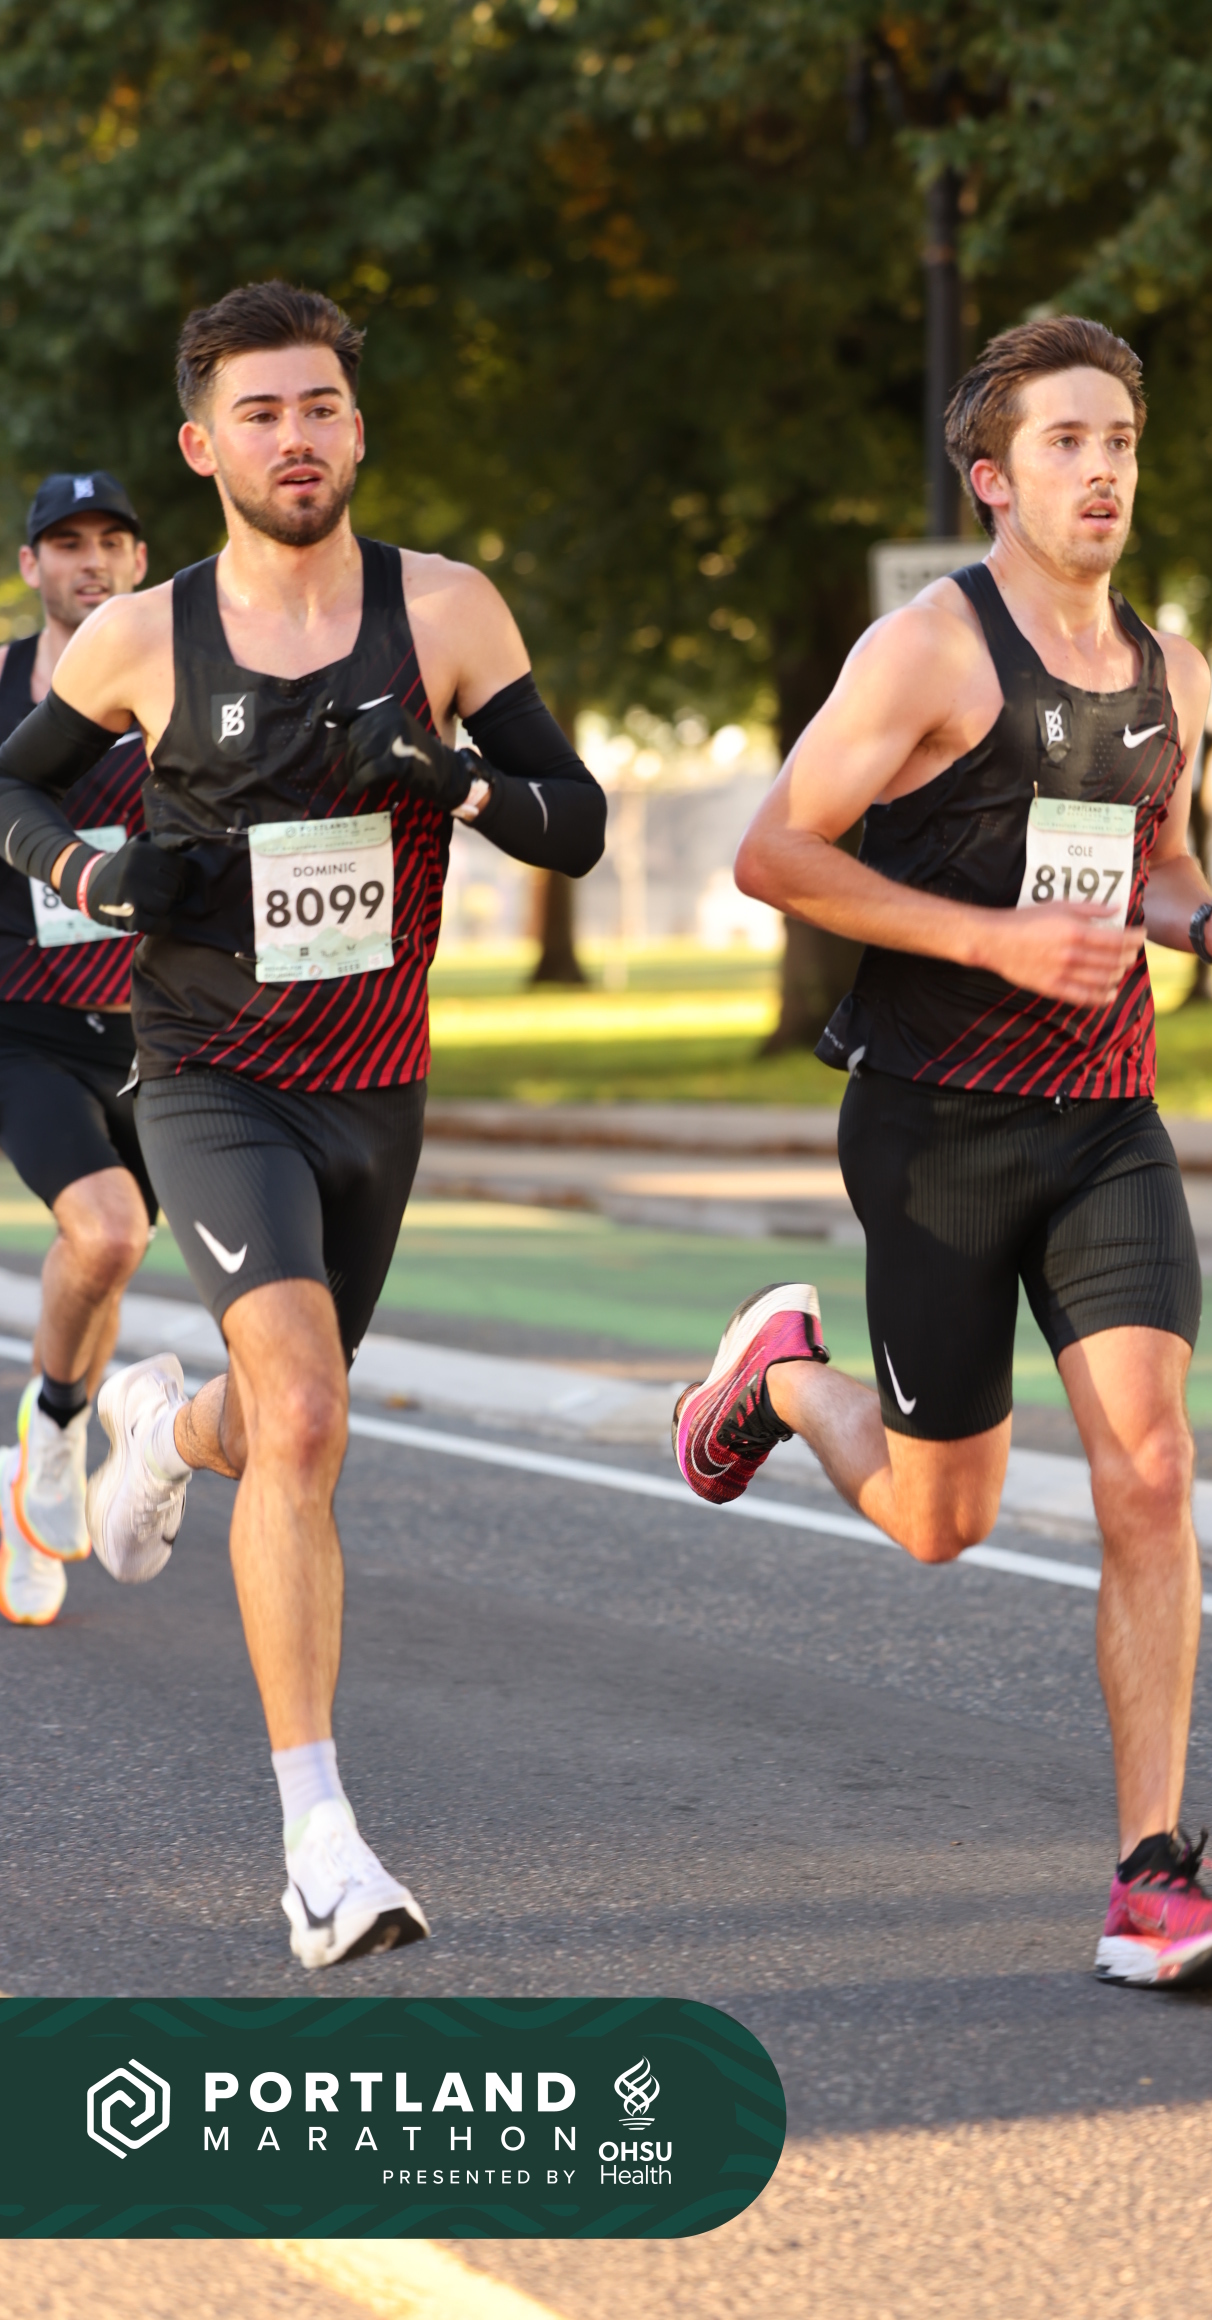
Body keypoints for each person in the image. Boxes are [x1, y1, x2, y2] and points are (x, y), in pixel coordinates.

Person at [674, 315, 1212, 1991]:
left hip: (1108, 1126)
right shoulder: (926, 654)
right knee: (940, 1519)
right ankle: (781, 1377)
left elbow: (1152, 860)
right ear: (993, 480)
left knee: (1150, 1469)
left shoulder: (1168, 673)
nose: (1102, 473)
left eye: (1120, 442)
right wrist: (988, 941)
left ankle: (1152, 1882)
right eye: (1065, 444)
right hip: (936, 1128)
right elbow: (774, 853)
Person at [0, 282, 606, 1965]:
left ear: (358, 428)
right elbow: (14, 784)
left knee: (276, 1425)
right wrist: (96, 875)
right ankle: (320, 1846)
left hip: (376, 1086)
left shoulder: (447, 610)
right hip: (209, 1074)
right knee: (316, 1414)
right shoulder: (143, 637)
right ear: (203, 447)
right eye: (260, 413)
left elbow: (575, 821)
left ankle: (157, 1431)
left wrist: (458, 781)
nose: (296, 438)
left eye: (321, 407)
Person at [0, 473, 155, 1628]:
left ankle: (38, 1455)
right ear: (32, 567)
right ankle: (55, 1435)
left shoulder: (180, 689)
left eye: (110, 541)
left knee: (105, 1264)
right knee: (106, 1229)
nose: (89, 560)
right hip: (22, 1021)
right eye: (66, 543)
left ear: (139, 562)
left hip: (155, 1030)